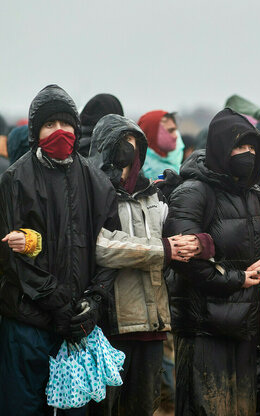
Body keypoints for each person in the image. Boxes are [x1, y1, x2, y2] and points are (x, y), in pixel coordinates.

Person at [163, 108, 260, 415]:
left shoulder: (254, 195)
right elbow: (184, 257)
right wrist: (235, 280)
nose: (248, 154)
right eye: (240, 147)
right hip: (202, 327)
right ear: (221, 148)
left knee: (241, 409)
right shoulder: (192, 192)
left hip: (245, 325)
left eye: (253, 148)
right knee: (206, 408)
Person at [0, 84, 120, 415]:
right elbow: (11, 259)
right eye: (49, 125)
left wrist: (94, 302)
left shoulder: (96, 181)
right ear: (36, 131)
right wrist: (60, 303)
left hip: (78, 328)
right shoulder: (15, 180)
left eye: (65, 124)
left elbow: (111, 249)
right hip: (27, 324)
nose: (59, 132)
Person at [86, 114, 199, 416]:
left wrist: (197, 239)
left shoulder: (153, 196)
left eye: (135, 145)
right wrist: (162, 250)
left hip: (152, 325)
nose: (129, 152)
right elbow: (101, 247)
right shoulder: (93, 193)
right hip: (111, 325)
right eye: (123, 144)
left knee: (144, 407)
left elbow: (175, 236)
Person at [138, 110, 182, 180]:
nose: (176, 136)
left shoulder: (178, 164)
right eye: (170, 131)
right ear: (152, 134)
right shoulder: (138, 171)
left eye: (175, 131)